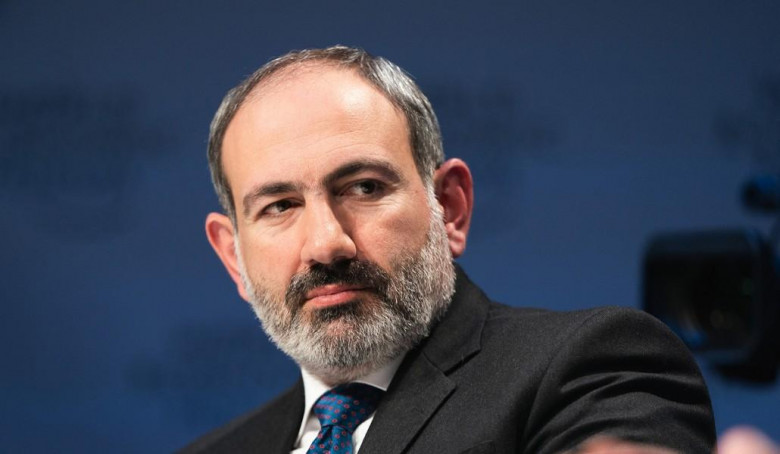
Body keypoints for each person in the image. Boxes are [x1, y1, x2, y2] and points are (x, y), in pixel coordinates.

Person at [181, 46, 716, 453]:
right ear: (232, 256)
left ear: (450, 207)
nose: (326, 244)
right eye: (279, 206)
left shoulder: (590, 367)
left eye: (364, 187)